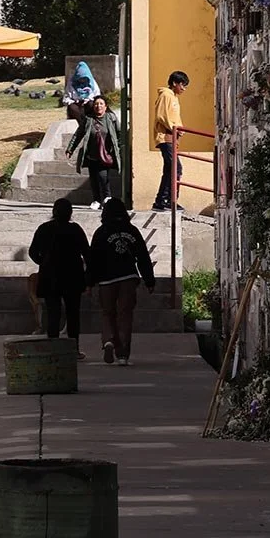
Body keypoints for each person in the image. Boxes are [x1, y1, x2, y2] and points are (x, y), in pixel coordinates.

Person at [86, 196, 155, 364]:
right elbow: (143, 257)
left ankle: (109, 340)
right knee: (125, 315)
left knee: (107, 313)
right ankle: (123, 354)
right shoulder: (132, 231)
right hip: (128, 278)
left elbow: (93, 259)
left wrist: (89, 282)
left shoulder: (101, 233)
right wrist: (149, 280)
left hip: (106, 280)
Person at [28, 196, 91, 348]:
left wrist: (43, 263)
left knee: (53, 313)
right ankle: (74, 348)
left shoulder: (44, 229)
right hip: (73, 276)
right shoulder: (75, 229)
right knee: (73, 314)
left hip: (50, 276)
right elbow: (87, 254)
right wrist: (89, 277)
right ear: (70, 213)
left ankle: (54, 348)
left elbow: (32, 252)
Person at [67, 93, 125, 208]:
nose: (98, 106)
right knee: (93, 178)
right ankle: (96, 200)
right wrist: (70, 148)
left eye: (101, 104)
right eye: (96, 104)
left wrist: (119, 147)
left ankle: (107, 198)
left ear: (106, 106)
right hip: (91, 155)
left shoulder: (111, 118)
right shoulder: (88, 120)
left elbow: (119, 134)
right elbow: (78, 134)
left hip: (106, 154)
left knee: (103, 177)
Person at [152, 70, 190, 210]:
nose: (183, 89)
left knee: (170, 169)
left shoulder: (174, 97)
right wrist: (175, 128)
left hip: (172, 137)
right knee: (176, 168)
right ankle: (167, 199)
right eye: (182, 85)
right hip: (166, 136)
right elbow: (162, 116)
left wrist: (180, 128)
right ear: (174, 83)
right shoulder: (166, 95)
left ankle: (163, 199)